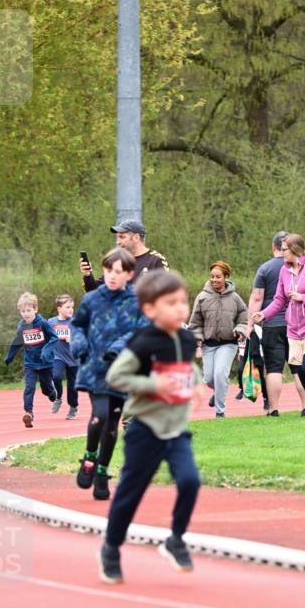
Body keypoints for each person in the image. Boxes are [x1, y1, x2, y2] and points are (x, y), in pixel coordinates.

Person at [100, 270, 202, 584]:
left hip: (175, 429)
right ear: (149, 309)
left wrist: (197, 384)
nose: (180, 308)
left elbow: (188, 370)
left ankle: (176, 539)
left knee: (190, 481)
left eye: (183, 301)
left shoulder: (186, 338)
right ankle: (111, 548)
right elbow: (115, 377)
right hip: (144, 429)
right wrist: (151, 383)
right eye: (171, 303)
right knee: (131, 494)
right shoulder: (142, 342)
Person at [70, 248, 149, 500]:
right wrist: (79, 345)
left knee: (113, 424)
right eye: (108, 271)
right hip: (95, 368)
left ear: (129, 274)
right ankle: (90, 457)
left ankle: (102, 472)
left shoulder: (135, 302)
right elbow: (77, 325)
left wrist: (118, 348)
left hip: (122, 370)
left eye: (118, 272)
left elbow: (140, 331)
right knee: (99, 416)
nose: (112, 276)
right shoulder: (93, 299)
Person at [252, 234, 305, 417]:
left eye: (285, 249)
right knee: (302, 373)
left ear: (295, 249)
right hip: (294, 330)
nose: (282, 252)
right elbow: (279, 300)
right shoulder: (284, 271)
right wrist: (263, 314)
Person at [247, 232, 305, 417]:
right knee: (298, 368)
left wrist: (251, 322)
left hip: (272, 324)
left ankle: (273, 409)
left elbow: (257, 297)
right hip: (296, 324)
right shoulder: (299, 266)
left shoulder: (265, 269)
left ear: (272, 246)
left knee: (274, 369)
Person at [189, 261, 247, 418]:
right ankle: (217, 392)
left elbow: (244, 318)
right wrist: (198, 339)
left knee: (220, 374)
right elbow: (195, 323)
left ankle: (220, 412)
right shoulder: (202, 297)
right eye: (212, 276)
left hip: (228, 343)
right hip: (208, 345)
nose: (214, 280)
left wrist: (240, 330)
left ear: (226, 277)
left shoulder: (235, 298)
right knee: (209, 378)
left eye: (218, 277)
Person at [3, 292, 59, 428]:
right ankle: (29, 413)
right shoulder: (22, 326)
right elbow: (17, 342)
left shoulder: (43, 323)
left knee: (46, 389)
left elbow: (54, 338)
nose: (26, 314)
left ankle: (52, 393)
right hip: (30, 363)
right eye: (23, 311)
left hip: (45, 363)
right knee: (29, 387)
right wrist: (10, 356)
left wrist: (46, 350)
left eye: (28, 310)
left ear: (35, 309)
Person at [80, 220, 168, 292]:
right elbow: (94, 291)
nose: (118, 242)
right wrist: (87, 275)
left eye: (122, 237)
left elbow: (165, 292)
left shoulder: (155, 261)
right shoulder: (118, 261)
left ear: (136, 238)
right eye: (117, 238)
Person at [49, 294, 78, 420]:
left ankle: (73, 407)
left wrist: (73, 339)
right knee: (55, 376)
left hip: (73, 358)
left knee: (72, 386)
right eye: (67, 307)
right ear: (59, 308)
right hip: (58, 356)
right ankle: (58, 397)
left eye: (72, 307)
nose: (71, 309)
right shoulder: (51, 322)